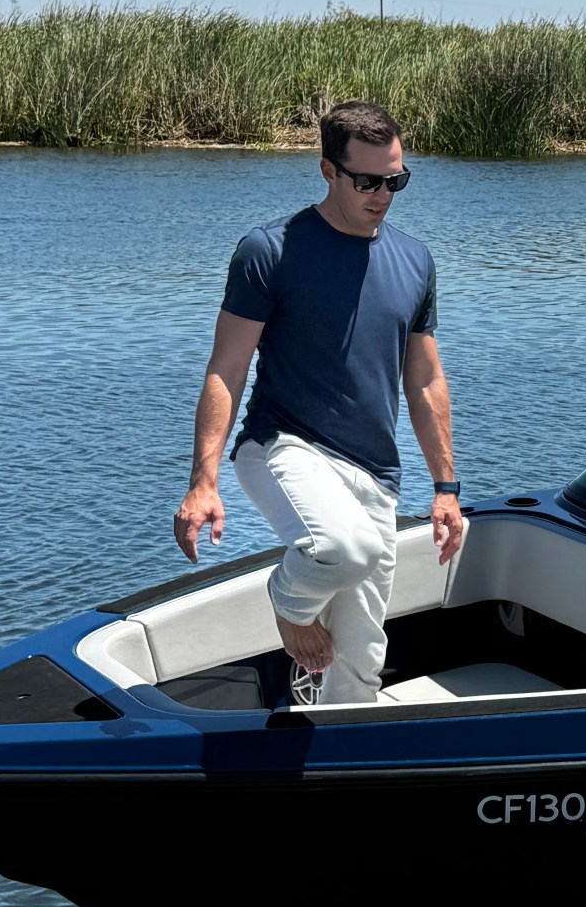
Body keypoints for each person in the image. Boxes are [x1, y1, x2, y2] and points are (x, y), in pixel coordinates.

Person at [171, 99, 467, 705]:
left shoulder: (414, 260)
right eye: (368, 181)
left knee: (361, 663)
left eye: (396, 180)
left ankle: (334, 768)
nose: (383, 195)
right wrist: (204, 481)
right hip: (284, 445)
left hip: (377, 474)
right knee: (341, 549)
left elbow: (426, 380)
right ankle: (288, 606)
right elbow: (227, 368)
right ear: (328, 170)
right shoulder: (270, 251)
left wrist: (446, 488)